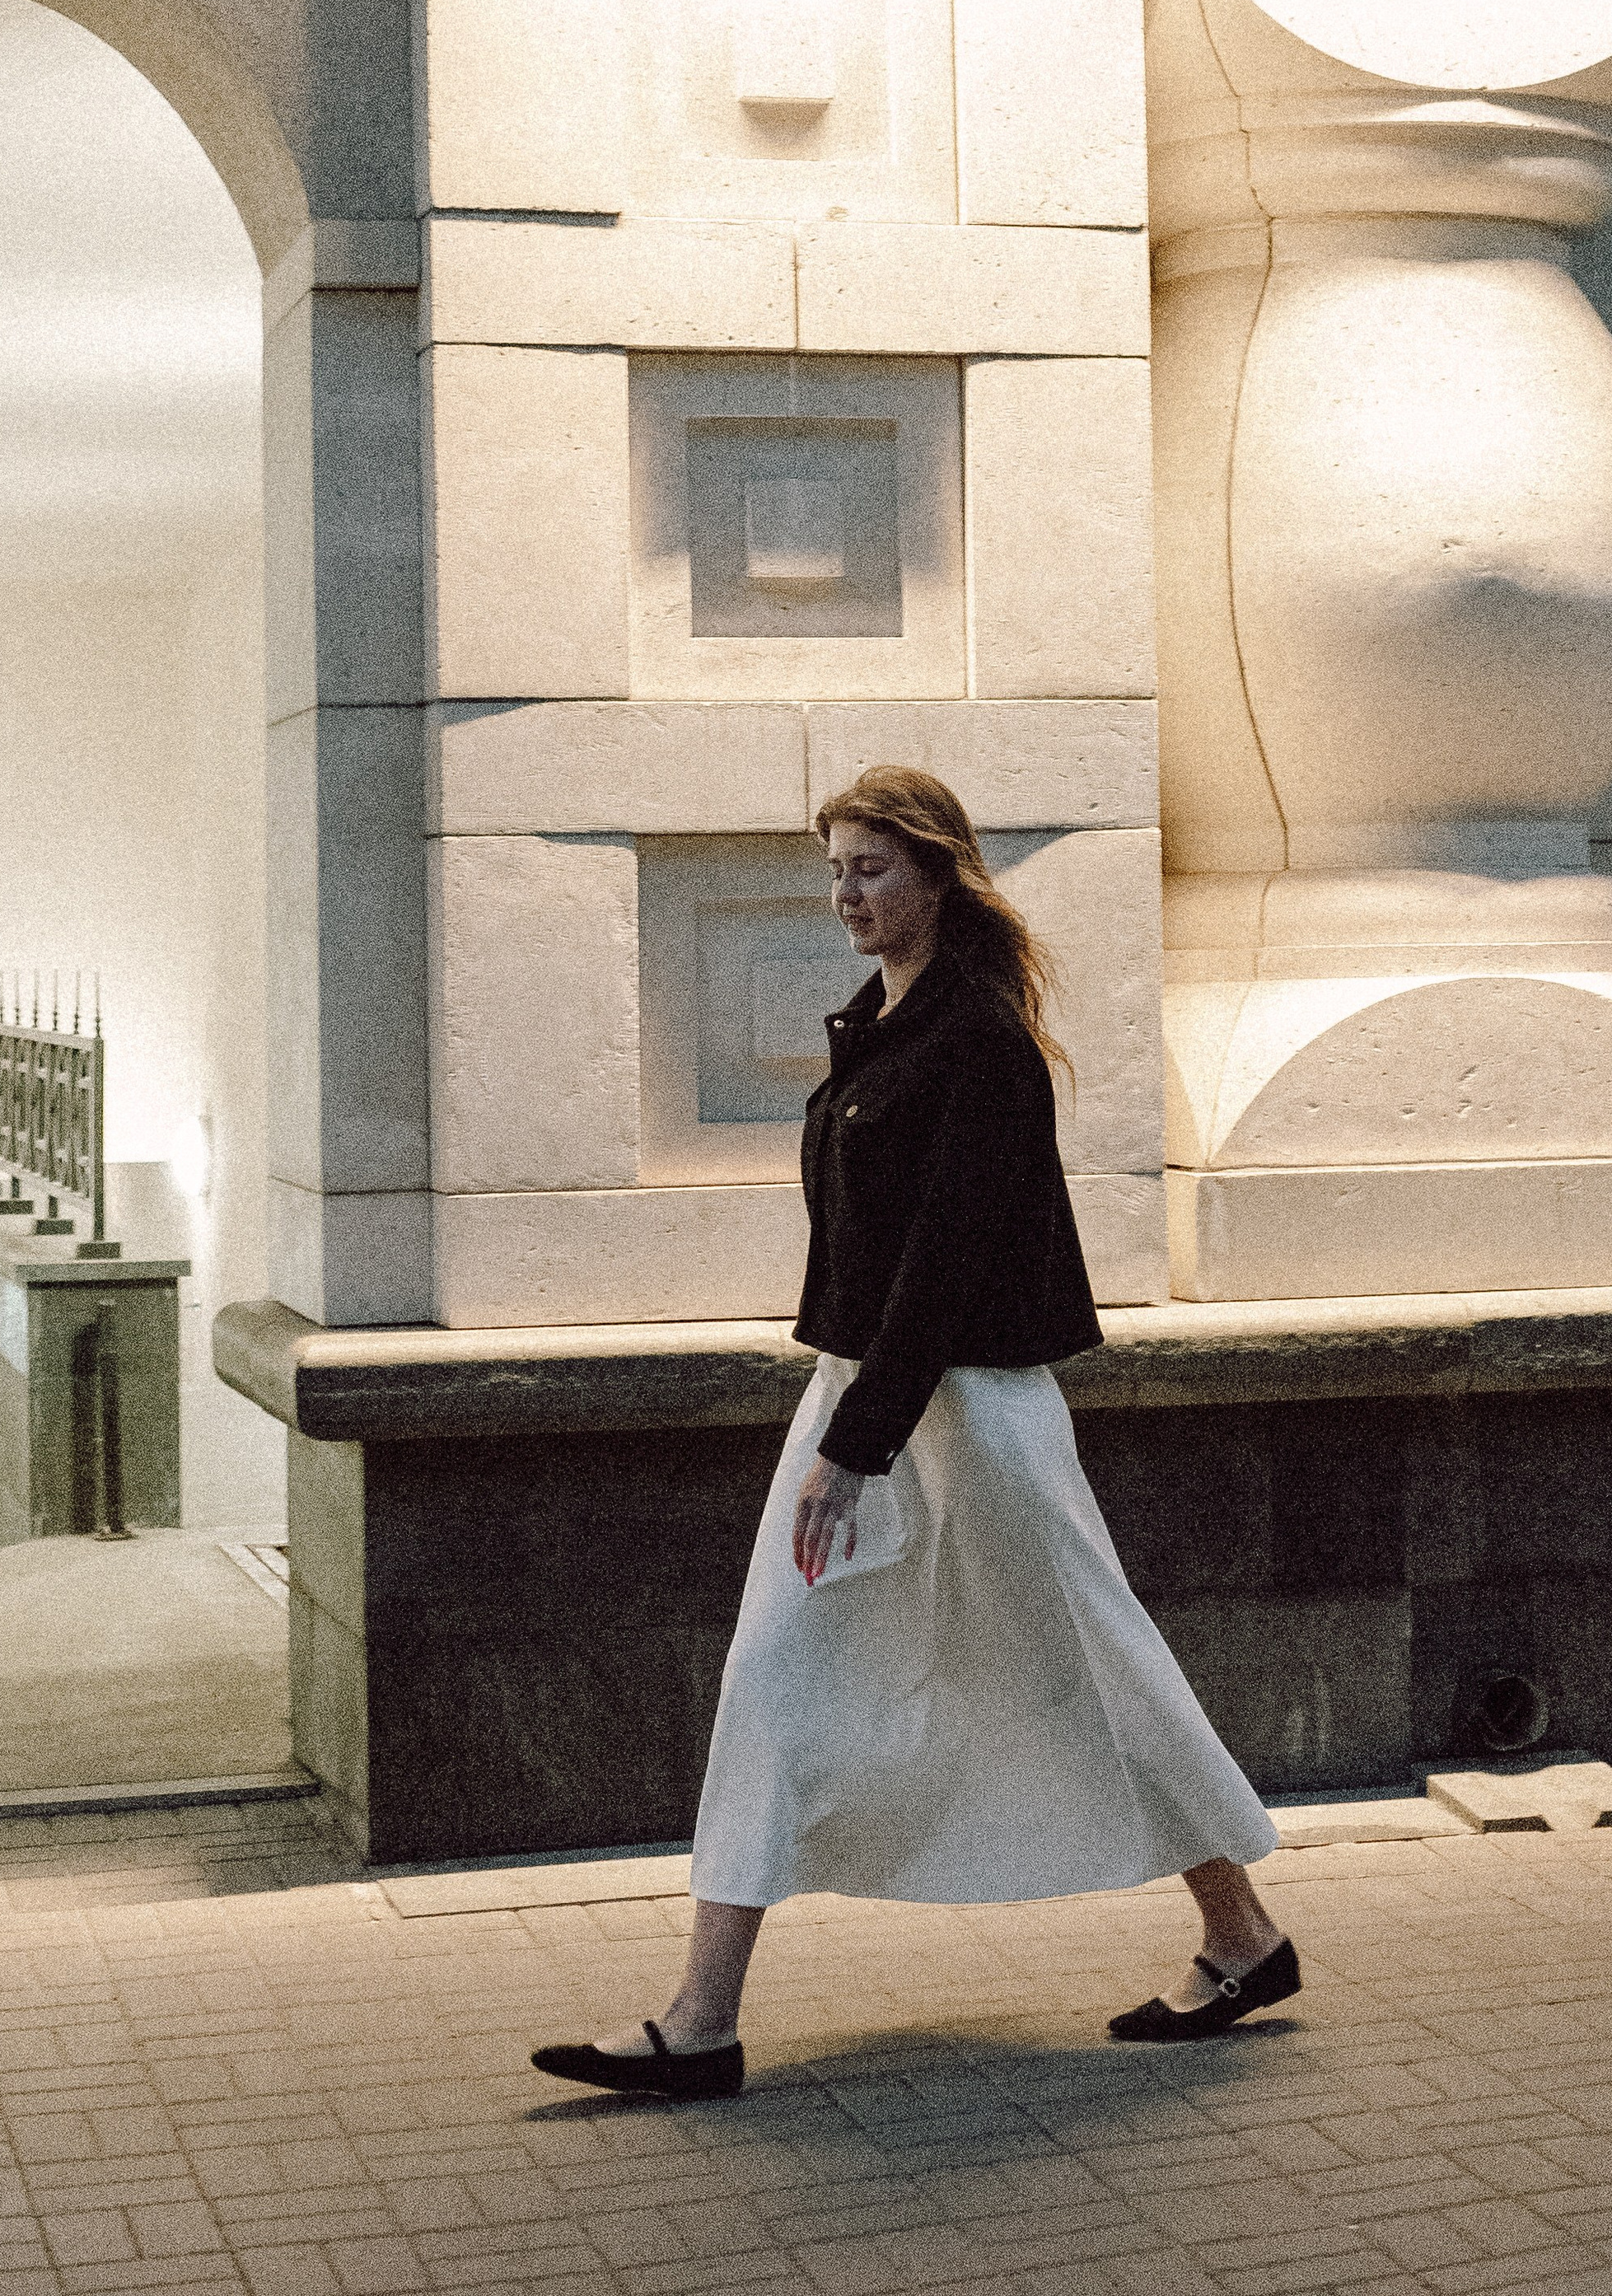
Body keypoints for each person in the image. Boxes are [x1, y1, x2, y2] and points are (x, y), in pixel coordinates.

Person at [533, 765, 1297, 2102]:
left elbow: (945, 1263)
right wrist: (852, 1421)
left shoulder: (981, 1043)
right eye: (834, 869)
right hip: (868, 1396)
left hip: (967, 1411)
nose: (846, 895)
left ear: (940, 873)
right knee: (774, 1672)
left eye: (872, 869)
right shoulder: (878, 1027)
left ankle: (1242, 1935)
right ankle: (701, 2019)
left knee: (1087, 1663)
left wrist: (855, 1444)